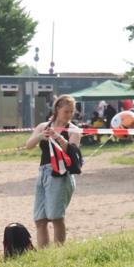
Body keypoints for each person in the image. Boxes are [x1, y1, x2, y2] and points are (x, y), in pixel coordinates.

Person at [24, 94, 81, 248]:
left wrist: (60, 139)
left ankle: (58, 251)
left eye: (71, 112)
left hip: (61, 175)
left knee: (56, 217)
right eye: (66, 111)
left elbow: (73, 153)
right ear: (57, 109)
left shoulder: (74, 130)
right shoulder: (43, 126)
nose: (69, 115)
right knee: (40, 219)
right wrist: (41, 136)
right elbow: (28, 145)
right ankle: (44, 252)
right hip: (43, 172)